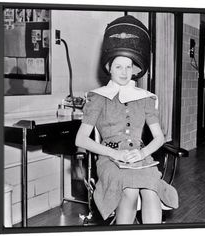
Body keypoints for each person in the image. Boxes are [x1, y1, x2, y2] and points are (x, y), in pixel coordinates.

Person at [75, 15, 178, 224]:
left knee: (151, 192)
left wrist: (141, 152)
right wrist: (116, 154)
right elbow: (81, 140)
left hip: (141, 158)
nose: (124, 72)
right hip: (110, 159)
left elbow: (159, 138)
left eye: (128, 67)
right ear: (109, 68)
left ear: (135, 70)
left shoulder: (145, 99)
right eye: (118, 66)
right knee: (130, 190)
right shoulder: (97, 97)